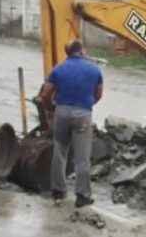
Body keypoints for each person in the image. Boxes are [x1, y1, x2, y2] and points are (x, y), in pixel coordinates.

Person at [39, 40, 103, 208]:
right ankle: (82, 196)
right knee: (82, 157)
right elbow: (98, 94)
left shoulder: (58, 69)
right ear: (81, 51)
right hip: (83, 114)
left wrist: (50, 109)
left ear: (68, 52)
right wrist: (86, 106)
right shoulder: (94, 69)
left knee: (59, 152)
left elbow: (45, 94)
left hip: (62, 113)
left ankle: (58, 192)